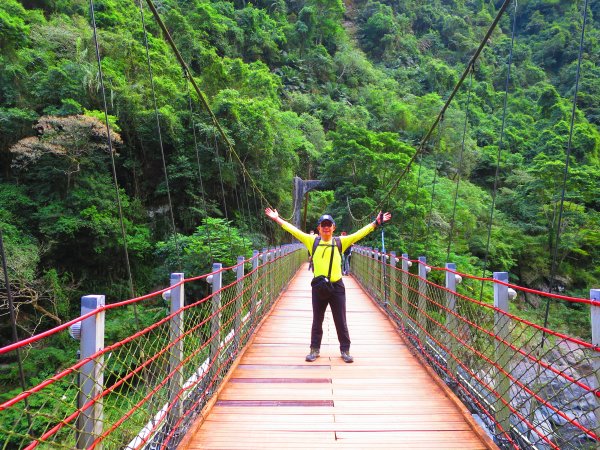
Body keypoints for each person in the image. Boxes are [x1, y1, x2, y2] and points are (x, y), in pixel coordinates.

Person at [265, 207, 392, 363]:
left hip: (337, 287)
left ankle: (345, 351)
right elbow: (294, 231)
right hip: (319, 286)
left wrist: (376, 223)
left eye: (328, 225)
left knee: (340, 319)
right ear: (319, 228)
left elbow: (358, 234)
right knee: (317, 319)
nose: (326, 228)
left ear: (333, 228)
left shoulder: (340, 242)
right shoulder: (312, 241)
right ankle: (314, 349)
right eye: (323, 225)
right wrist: (277, 219)